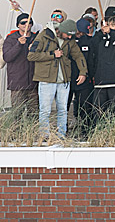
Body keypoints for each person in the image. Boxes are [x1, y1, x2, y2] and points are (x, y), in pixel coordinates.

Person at [28, 10, 87, 140]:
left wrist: (83, 72)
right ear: (61, 30)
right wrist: (52, 55)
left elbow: (78, 56)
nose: (70, 38)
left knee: (62, 109)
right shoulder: (43, 35)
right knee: (45, 110)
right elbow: (31, 55)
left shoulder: (69, 39)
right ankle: (44, 135)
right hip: (46, 79)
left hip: (64, 79)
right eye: (68, 35)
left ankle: (61, 134)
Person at [85, 15, 115, 114]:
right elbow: (92, 44)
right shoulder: (101, 39)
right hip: (100, 82)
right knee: (98, 111)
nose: (109, 28)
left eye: (113, 26)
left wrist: (111, 32)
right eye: (109, 25)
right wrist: (101, 32)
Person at [3, 13, 38, 123]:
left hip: (33, 82)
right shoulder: (11, 38)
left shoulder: (36, 38)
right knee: (17, 112)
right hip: (17, 83)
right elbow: (7, 57)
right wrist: (18, 44)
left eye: (29, 22)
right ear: (18, 25)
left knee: (34, 112)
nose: (26, 25)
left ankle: (32, 135)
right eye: (23, 23)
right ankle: (17, 136)